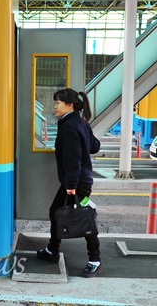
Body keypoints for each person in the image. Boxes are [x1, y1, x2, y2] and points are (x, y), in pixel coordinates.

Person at [37, 88, 102, 277]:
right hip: (76, 182)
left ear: (69, 105)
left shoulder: (70, 126)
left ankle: (95, 259)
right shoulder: (79, 122)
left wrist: (71, 186)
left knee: (85, 218)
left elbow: (73, 160)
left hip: (77, 184)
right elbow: (94, 147)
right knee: (56, 211)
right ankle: (52, 249)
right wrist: (86, 134)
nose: (55, 106)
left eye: (58, 103)